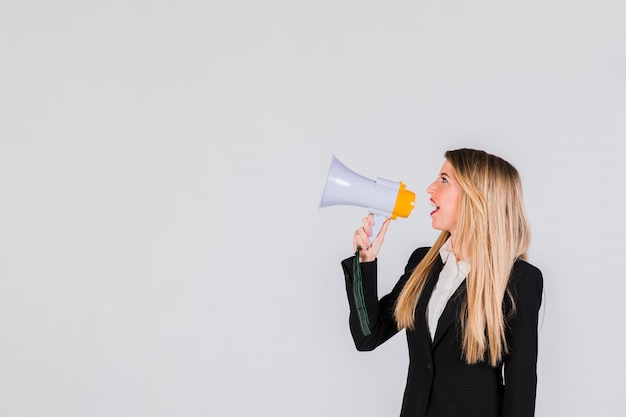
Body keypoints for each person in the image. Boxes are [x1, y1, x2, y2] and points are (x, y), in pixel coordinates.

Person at [341, 148, 543, 417]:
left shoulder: (520, 279)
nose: (429, 188)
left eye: (444, 179)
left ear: (476, 195)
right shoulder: (422, 263)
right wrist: (365, 260)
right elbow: (367, 336)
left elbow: (522, 387)